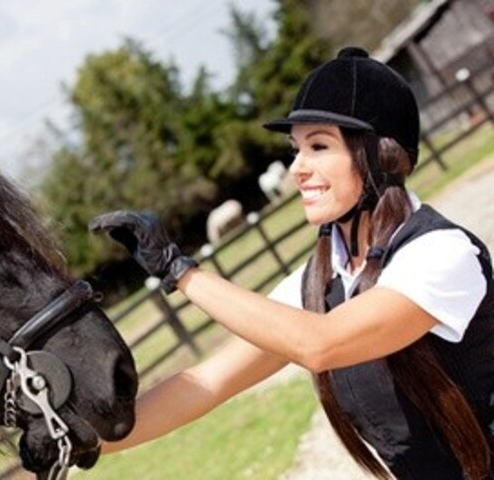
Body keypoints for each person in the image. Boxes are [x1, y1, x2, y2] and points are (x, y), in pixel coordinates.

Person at [89, 47, 494, 480]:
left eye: (318, 146)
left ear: (380, 156)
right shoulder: (318, 286)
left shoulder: (441, 255)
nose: (297, 168)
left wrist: (178, 270)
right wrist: (81, 437)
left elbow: (320, 344)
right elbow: (207, 384)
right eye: (296, 148)